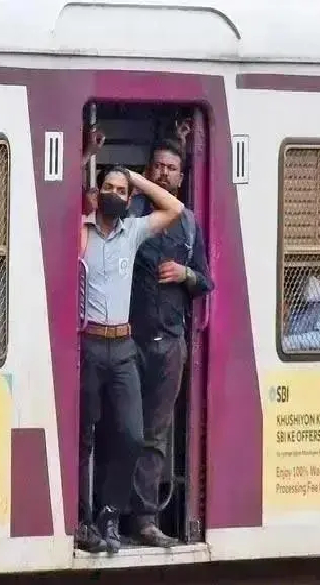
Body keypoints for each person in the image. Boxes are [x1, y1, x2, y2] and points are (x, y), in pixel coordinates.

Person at [78, 166, 184, 554]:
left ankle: (109, 512)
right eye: (107, 187)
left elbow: (175, 208)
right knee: (85, 437)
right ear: (97, 192)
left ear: (128, 197)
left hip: (123, 347)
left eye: (120, 190)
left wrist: (136, 179)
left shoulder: (134, 231)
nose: (113, 194)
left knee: (132, 434)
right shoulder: (82, 231)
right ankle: (83, 520)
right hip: (89, 343)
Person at [120, 138, 214, 548]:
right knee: (123, 429)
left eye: (171, 168)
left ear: (181, 175)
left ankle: (144, 521)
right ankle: (111, 516)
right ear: (148, 170)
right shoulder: (130, 214)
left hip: (169, 344)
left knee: (155, 434)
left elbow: (206, 281)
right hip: (126, 341)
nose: (163, 173)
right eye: (157, 166)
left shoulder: (189, 224)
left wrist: (185, 275)